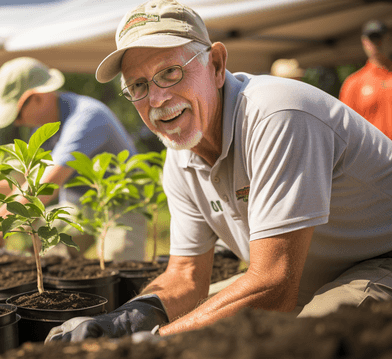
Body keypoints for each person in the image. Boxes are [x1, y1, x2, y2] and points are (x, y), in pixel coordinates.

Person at [46, 0, 392, 342]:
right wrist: (119, 323)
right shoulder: (180, 156)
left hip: (379, 261)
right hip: (303, 275)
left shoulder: (276, 116)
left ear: (215, 64)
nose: (156, 99)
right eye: (138, 86)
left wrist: (155, 340)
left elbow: (273, 285)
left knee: (301, 341)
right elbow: (185, 275)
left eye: (170, 72)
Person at [0, 57, 146, 261]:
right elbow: (26, 179)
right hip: (79, 205)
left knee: (118, 266)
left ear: (38, 97)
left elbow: (46, 186)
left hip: (121, 204)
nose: (18, 123)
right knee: (44, 250)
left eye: (17, 115)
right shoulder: (43, 130)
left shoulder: (86, 117)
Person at [339, 19, 392, 139]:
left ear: (388, 39)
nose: (376, 43)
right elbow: (346, 128)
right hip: (373, 156)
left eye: (379, 38)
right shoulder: (353, 83)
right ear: (364, 42)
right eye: (371, 39)